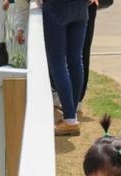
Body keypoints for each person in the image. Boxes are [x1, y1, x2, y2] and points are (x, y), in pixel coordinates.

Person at [42, 0, 98, 137]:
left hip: (57, 8)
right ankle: (71, 116)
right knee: (76, 60)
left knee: (58, 62)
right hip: (81, 7)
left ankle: (70, 119)